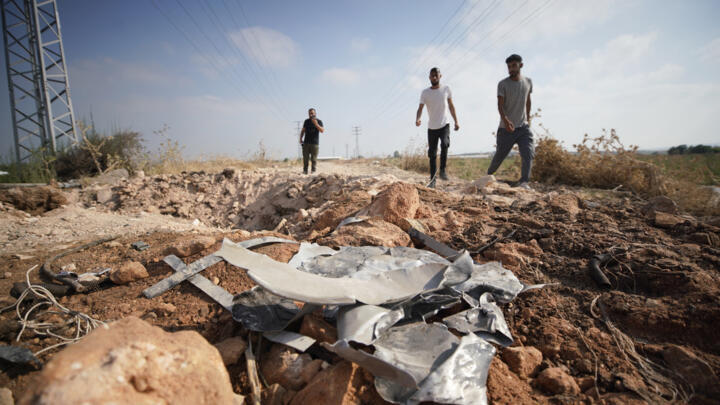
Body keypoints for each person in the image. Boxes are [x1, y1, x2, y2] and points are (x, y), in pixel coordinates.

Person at [487, 54, 534, 189]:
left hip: (523, 127)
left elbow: (528, 100)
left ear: (521, 65)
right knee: (499, 156)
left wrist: (528, 118)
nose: (511, 69)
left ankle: (524, 182)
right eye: (509, 67)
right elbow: (500, 105)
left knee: (528, 152)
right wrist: (506, 121)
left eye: (513, 66)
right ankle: (487, 176)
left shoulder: (528, 82)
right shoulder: (503, 84)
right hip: (506, 128)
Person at [416, 67, 459, 187]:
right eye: (432, 76)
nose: (434, 77)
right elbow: (420, 108)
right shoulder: (425, 92)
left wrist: (456, 121)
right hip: (432, 127)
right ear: (429, 77)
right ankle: (432, 181)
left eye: (436, 75)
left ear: (440, 76)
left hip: (445, 124)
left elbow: (451, 106)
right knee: (432, 154)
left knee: (445, 144)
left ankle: (443, 170)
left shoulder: (446, 89)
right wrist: (418, 118)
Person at [299, 108, 324, 174]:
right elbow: (303, 130)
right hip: (306, 143)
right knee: (305, 158)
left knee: (314, 159)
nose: (311, 114)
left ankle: (313, 171)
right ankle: (305, 171)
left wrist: (316, 124)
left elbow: (322, 130)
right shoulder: (306, 121)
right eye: (310, 113)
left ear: (315, 113)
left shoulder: (319, 121)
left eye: (312, 113)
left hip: (315, 143)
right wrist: (301, 138)